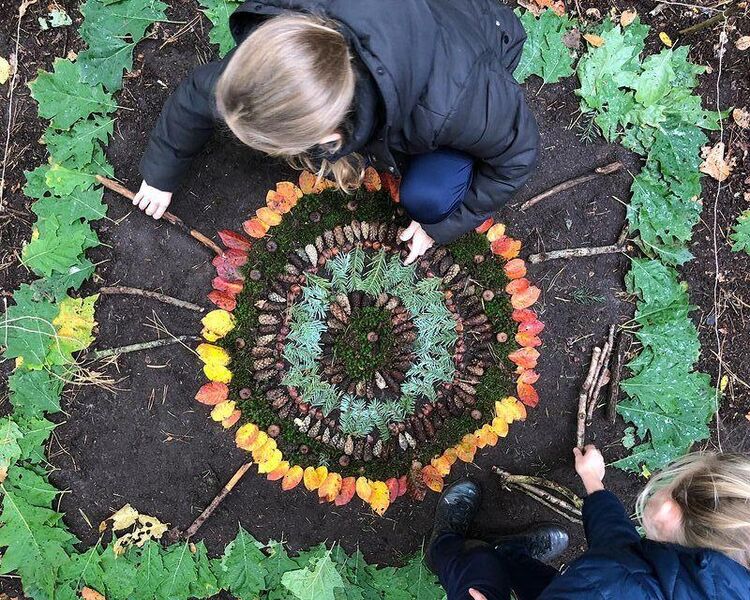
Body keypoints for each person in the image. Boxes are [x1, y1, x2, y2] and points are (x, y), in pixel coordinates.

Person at [134, 0, 539, 264]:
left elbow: (517, 156)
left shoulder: (453, 104)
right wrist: (160, 173)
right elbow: (197, 96)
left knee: (428, 198)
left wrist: (441, 227)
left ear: (331, 135)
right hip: (405, 37)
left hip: (481, 34)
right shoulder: (275, 63)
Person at [427, 445, 750, 599]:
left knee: (477, 571)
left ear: (668, 510)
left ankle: (444, 548)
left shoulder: (604, 588)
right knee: (536, 579)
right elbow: (624, 552)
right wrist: (594, 484)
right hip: (579, 588)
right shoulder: (680, 571)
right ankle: (509, 554)